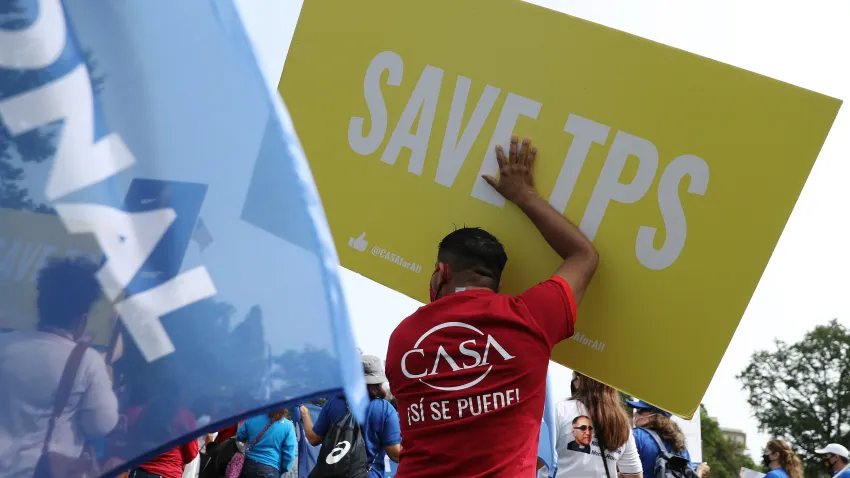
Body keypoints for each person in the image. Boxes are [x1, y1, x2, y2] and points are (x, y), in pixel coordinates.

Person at [385, 136, 599, 477]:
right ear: (497, 284)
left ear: (441, 273)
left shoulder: (403, 339)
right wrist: (523, 195)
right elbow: (583, 255)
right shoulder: (529, 317)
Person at [0, 256, 119, 477]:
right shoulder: (87, 361)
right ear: (82, 320)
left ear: (41, 307)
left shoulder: (5, 344)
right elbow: (101, 424)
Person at [300, 355, 401, 477]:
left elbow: (313, 439)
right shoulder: (384, 409)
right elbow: (395, 454)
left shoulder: (334, 402)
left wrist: (305, 414)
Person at [555, 373, 642, 477]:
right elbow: (635, 475)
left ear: (578, 381)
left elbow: (540, 458)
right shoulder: (622, 424)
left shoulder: (560, 411)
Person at [627, 400, 709, 478]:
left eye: (640, 410)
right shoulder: (680, 446)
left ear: (654, 415)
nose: (635, 414)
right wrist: (699, 471)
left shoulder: (636, 436)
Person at [235, 409, 297, 477]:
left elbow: (240, 436)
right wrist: (283, 469)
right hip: (271, 469)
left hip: (248, 465)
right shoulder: (288, 426)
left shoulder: (253, 417)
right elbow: (290, 454)